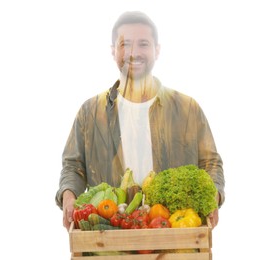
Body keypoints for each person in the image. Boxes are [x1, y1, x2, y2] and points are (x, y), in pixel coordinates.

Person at [55, 11, 225, 231]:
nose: (133, 53)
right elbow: (73, 166)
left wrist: (213, 196)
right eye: (125, 44)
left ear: (157, 50)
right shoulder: (90, 113)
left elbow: (210, 163)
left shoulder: (187, 109)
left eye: (143, 44)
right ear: (113, 51)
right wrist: (69, 198)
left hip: (175, 232)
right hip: (109, 234)